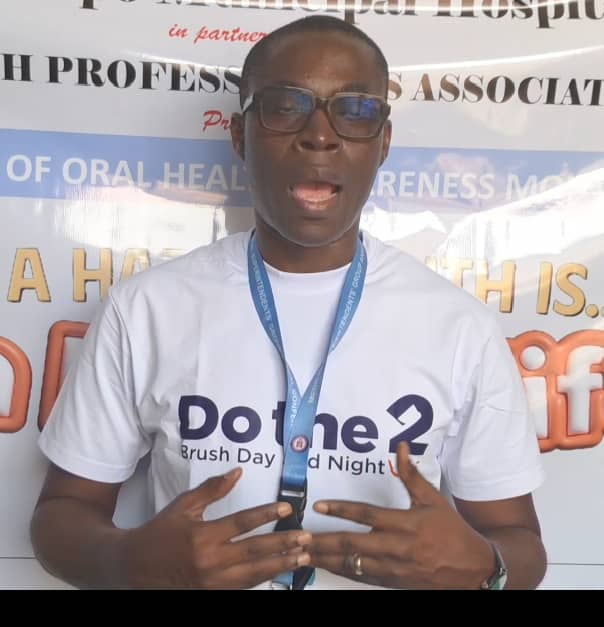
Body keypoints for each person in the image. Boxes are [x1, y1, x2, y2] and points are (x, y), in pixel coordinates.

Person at [30, 15, 546, 590]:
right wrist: (125, 563)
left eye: (355, 110)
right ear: (239, 136)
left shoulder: (459, 326)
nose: (319, 135)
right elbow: (61, 516)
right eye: (284, 106)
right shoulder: (147, 309)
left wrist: (487, 568)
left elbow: (520, 542)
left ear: (383, 142)